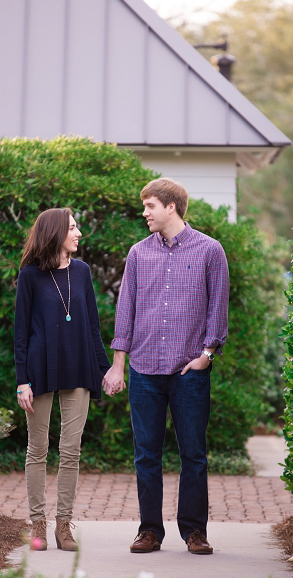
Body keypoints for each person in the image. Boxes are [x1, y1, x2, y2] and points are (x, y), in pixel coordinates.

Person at [103, 177, 229, 556]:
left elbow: (217, 309)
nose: (144, 213)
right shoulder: (138, 254)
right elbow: (125, 310)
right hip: (144, 369)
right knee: (146, 455)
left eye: (150, 206)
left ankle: (194, 532)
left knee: (193, 453)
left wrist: (207, 355)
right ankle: (150, 532)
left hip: (189, 372)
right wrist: (118, 366)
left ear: (171, 207)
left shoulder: (210, 250)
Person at [14, 208, 111, 551]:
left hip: (79, 367)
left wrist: (106, 369)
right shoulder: (29, 276)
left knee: (71, 450)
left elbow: (93, 327)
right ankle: (37, 523)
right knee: (37, 449)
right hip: (39, 370)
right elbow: (21, 334)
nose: (79, 233)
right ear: (55, 233)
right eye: (72, 227)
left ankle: (63, 526)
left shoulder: (82, 272)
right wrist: (21, 381)